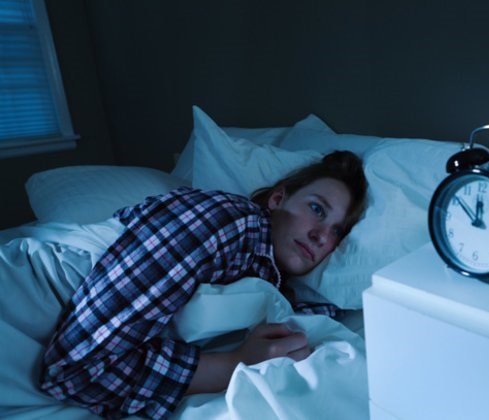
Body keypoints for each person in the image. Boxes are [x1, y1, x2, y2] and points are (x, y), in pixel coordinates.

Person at [38, 150, 367, 419]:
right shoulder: (229, 220)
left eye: (338, 232)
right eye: (316, 209)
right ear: (278, 199)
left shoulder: (267, 278)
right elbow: (76, 370)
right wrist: (235, 363)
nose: (322, 236)